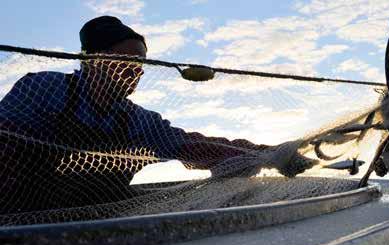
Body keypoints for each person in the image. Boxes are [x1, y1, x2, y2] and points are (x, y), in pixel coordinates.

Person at [0, 16, 310, 214]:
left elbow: (193, 146)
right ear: (89, 61)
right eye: (122, 62)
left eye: (140, 65)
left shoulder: (139, 121)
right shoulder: (43, 88)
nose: (133, 72)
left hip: (95, 222)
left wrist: (267, 155)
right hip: (18, 219)